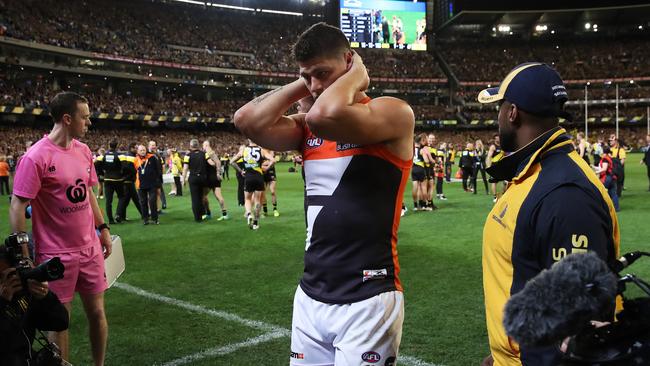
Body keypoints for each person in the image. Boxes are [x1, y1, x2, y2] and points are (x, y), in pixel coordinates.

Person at [234, 22, 414, 366]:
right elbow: (247, 120)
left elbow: (325, 114)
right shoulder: (308, 128)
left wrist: (356, 76)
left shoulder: (392, 113)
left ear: (348, 60)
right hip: (311, 295)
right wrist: (305, 82)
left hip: (367, 297)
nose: (315, 86)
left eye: (322, 73)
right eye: (307, 77)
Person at [477, 63, 620, 366]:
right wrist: (503, 354)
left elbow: (576, 330)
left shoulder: (564, 194)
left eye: (500, 108)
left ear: (512, 112)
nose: (498, 117)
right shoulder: (535, 174)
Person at [9, 92, 112, 365]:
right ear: (67, 119)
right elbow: (18, 205)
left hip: (89, 248)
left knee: (98, 313)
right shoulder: (35, 157)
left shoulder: (84, 151)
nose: (89, 122)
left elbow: (89, 193)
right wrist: (25, 256)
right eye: (85, 117)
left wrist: (102, 227)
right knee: (59, 322)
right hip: (56, 255)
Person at [0, 252, 69, 365]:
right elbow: (6, 344)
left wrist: (45, 297)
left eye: (11, 274)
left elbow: (60, 322)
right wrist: (3, 303)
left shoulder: (22, 298)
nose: (9, 281)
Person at [230, 140, 273, 230]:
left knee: (247, 199)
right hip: (259, 177)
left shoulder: (244, 150)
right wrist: (267, 169)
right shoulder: (261, 150)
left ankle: (249, 214)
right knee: (257, 200)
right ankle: (256, 223)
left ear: (248, 141)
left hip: (248, 177)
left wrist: (241, 171)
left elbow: (232, 162)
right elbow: (273, 160)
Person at [94, 140, 124, 224]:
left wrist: (100, 173)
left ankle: (110, 220)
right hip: (118, 179)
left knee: (108, 201)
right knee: (122, 197)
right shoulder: (119, 155)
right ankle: (118, 214)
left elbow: (96, 164)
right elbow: (124, 166)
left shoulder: (104, 156)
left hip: (107, 179)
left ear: (109, 145)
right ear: (116, 146)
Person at [182, 139, 208, 222]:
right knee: (202, 196)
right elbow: (210, 163)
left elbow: (185, 168)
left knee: (195, 198)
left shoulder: (187, 156)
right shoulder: (204, 154)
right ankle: (203, 213)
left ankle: (198, 217)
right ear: (198, 146)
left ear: (190, 146)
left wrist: (183, 179)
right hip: (203, 178)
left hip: (193, 178)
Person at [202, 139, 228, 221]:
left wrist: (218, 173)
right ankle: (224, 214)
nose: (202, 146)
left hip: (210, 178)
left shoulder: (209, 152)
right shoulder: (210, 152)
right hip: (214, 178)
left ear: (206, 145)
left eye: (203, 145)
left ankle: (208, 213)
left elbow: (218, 162)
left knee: (203, 196)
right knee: (218, 196)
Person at [135, 144, 161, 225]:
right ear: (138, 151)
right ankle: (145, 219)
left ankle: (155, 218)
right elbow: (134, 171)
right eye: (141, 150)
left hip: (152, 184)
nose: (143, 152)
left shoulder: (152, 157)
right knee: (143, 202)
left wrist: (158, 181)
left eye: (144, 150)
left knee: (152, 201)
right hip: (140, 184)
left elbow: (158, 169)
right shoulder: (135, 160)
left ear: (146, 150)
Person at [117, 142, 142, 221]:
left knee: (126, 199)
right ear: (131, 148)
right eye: (136, 148)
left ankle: (121, 216)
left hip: (125, 180)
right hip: (129, 181)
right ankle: (144, 214)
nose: (137, 150)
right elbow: (132, 169)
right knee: (136, 199)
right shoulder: (131, 157)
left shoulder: (126, 156)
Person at [594, 146, 619, 211]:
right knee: (613, 194)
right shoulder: (609, 158)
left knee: (599, 191)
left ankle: (600, 207)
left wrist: (596, 172)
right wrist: (593, 167)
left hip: (607, 178)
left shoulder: (605, 159)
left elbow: (604, 169)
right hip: (612, 177)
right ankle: (616, 208)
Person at [486, 134, 505, 202]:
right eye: (497, 138)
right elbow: (489, 157)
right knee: (494, 182)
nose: (498, 139)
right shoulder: (493, 146)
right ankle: (494, 196)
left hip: (502, 165)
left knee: (505, 181)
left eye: (499, 138)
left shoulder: (503, 145)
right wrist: (488, 166)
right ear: (494, 139)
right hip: (494, 166)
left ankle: (503, 193)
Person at [261, 150, 280, 217]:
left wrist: (265, 165)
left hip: (271, 172)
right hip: (262, 174)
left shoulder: (271, 150)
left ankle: (275, 209)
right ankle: (265, 211)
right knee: (263, 193)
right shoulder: (260, 150)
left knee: (272, 191)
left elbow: (273, 161)